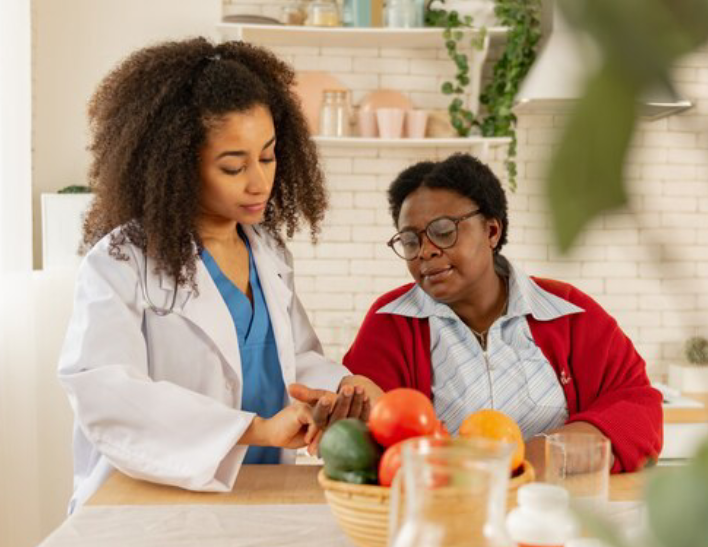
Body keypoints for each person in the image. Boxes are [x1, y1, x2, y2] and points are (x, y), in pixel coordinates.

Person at [58, 38, 379, 511]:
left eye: (267, 157)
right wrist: (254, 429)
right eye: (234, 166)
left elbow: (294, 359)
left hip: (260, 490)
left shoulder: (267, 251)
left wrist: (343, 387)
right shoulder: (121, 262)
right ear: (177, 166)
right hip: (154, 501)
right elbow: (109, 397)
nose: (260, 182)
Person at [343, 154, 662, 473]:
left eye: (443, 231)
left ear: (492, 231)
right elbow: (360, 442)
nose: (425, 250)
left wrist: (535, 458)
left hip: (552, 511)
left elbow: (640, 412)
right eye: (411, 240)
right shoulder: (390, 323)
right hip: (445, 510)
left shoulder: (568, 312)